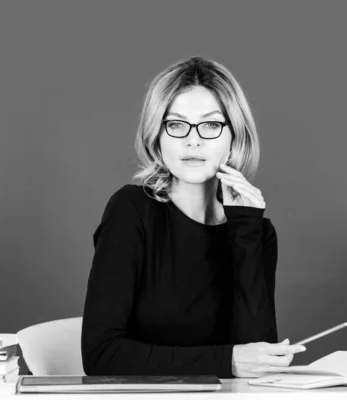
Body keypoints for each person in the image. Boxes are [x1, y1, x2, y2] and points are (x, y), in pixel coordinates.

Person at [81, 56, 304, 378]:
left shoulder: (255, 230)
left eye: (211, 125)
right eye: (175, 124)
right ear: (156, 136)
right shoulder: (131, 210)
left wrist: (246, 227)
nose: (193, 140)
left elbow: (256, 356)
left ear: (234, 137)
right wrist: (226, 361)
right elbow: (101, 355)